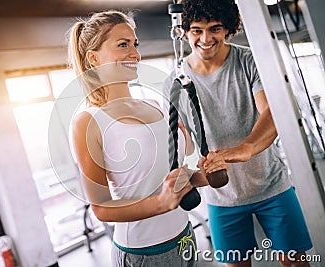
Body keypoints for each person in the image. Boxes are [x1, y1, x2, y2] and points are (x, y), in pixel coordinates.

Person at [68, 10, 228, 267]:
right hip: (143, 253)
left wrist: (200, 177)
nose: (135, 53)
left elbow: (167, 173)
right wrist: (160, 204)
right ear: (94, 58)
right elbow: (101, 208)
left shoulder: (154, 105)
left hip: (185, 236)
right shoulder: (88, 122)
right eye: (123, 45)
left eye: (135, 44)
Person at [163, 0, 313, 266]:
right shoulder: (174, 80)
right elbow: (182, 138)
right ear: (184, 32)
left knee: (295, 262)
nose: (205, 38)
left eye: (215, 28)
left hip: (271, 186)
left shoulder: (248, 61)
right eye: (196, 30)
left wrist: (246, 148)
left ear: (228, 29)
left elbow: (272, 113)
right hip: (221, 197)